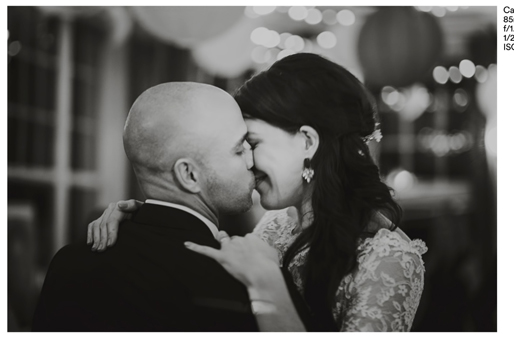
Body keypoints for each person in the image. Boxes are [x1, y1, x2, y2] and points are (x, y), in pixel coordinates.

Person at [88, 53, 428, 332]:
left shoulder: (389, 258)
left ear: (308, 141)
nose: (247, 162)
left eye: (252, 143)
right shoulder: (276, 226)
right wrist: (145, 217)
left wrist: (269, 284)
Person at [32, 82, 313, 332]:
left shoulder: (68, 263)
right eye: (239, 149)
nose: (252, 161)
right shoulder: (247, 279)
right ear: (189, 175)